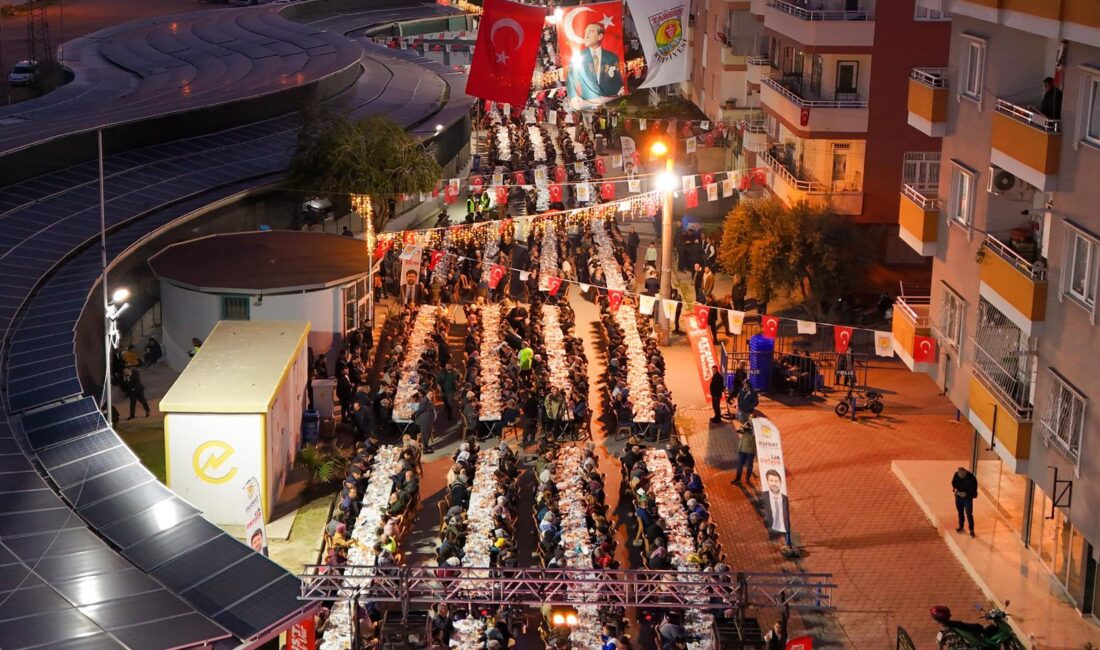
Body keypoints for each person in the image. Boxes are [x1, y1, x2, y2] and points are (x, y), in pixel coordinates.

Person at [567, 22, 624, 105]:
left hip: (609, 102)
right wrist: (573, 97)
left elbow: (617, 81)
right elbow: (571, 80)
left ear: (600, 36)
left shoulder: (612, 57)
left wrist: (620, 90)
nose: (586, 36)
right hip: (587, 103)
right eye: (585, 32)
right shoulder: (578, 57)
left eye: (591, 31)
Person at [762, 469, 790, 535]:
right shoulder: (764, 496)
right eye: (771, 481)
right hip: (771, 527)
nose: (774, 483)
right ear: (767, 481)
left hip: (785, 528)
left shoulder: (785, 498)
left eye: (776, 481)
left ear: (780, 482)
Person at [952, 466, 978, 537]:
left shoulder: (971, 478)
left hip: (967, 499)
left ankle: (971, 530)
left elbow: (974, 491)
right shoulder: (956, 475)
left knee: (969, 513)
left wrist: (966, 494)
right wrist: (955, 489)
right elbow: (953, 483)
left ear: (965, 472)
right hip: (958, 497)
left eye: (962, 475)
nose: (960, 476)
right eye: (959, 475)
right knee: (960, 512)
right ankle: (961, 526)